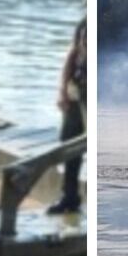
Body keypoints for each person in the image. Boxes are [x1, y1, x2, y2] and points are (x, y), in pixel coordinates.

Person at [47, 17, 87, 215]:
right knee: (69, 145)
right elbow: (72, 55)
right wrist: (63, 90)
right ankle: (69, 197)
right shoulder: (84, 23)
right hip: (76, 94)